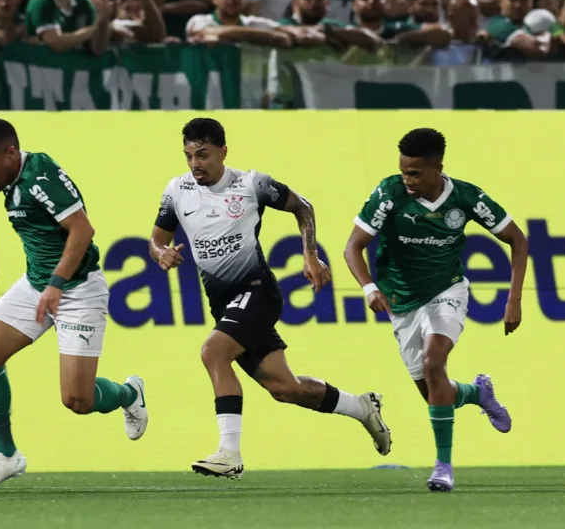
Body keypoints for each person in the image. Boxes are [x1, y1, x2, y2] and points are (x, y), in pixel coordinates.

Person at [150, 118, 391, 479]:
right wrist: (160, 253)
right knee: (285, 388)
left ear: (222, 152)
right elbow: (156, 238)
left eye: (202, 154)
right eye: (188, 156)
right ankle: (361, 407)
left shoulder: (251, 184)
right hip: (223, 303)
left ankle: (229, 454)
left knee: (213, 351)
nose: (195, 164)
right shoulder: (177, 189)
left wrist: (309, 253)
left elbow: (303, 206)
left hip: (258, 292)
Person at [0, 118, 148, 497]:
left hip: (76, 290)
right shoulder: (11, 181)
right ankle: (6, 455)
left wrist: (56, 284)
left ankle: (130, 394)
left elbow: (83, 231)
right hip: (37, 286)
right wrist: (46, 286)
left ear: (11, 153)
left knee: (77, 400)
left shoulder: (39, 176)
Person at [343, 128, 528, 492]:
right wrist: (369, 288)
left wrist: (514, 299)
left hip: (447, 290)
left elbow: (517, 241)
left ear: (437, 168)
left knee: (433, 363)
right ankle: (477, 394)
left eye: (415, 173)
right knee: (434, 392)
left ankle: (443, 467)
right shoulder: (389, 193)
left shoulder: (466, 197)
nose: (407, 180)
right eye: (403, 172)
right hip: (401, 300)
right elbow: (353, 247)